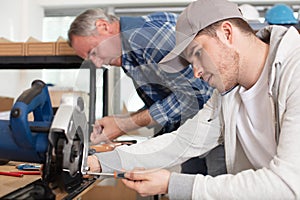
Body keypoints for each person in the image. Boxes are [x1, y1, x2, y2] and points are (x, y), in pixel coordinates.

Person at [87, 0, 300, 199]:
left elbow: (288, 184)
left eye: (197, 53)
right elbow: (182, 142)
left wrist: (174, 184)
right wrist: (99, 163)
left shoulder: (294, 71)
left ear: (226, 33)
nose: (196, 73)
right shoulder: (226, 94)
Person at [68, 10, 226, 176]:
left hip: (215, 128)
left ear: (103, 26)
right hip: (192, 131)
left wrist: (127, 125)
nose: (98, 64)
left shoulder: (145, 38)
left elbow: (197, 95)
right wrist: (121, 121)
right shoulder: (130, 52)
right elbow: (167, 100)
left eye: (93, 52)